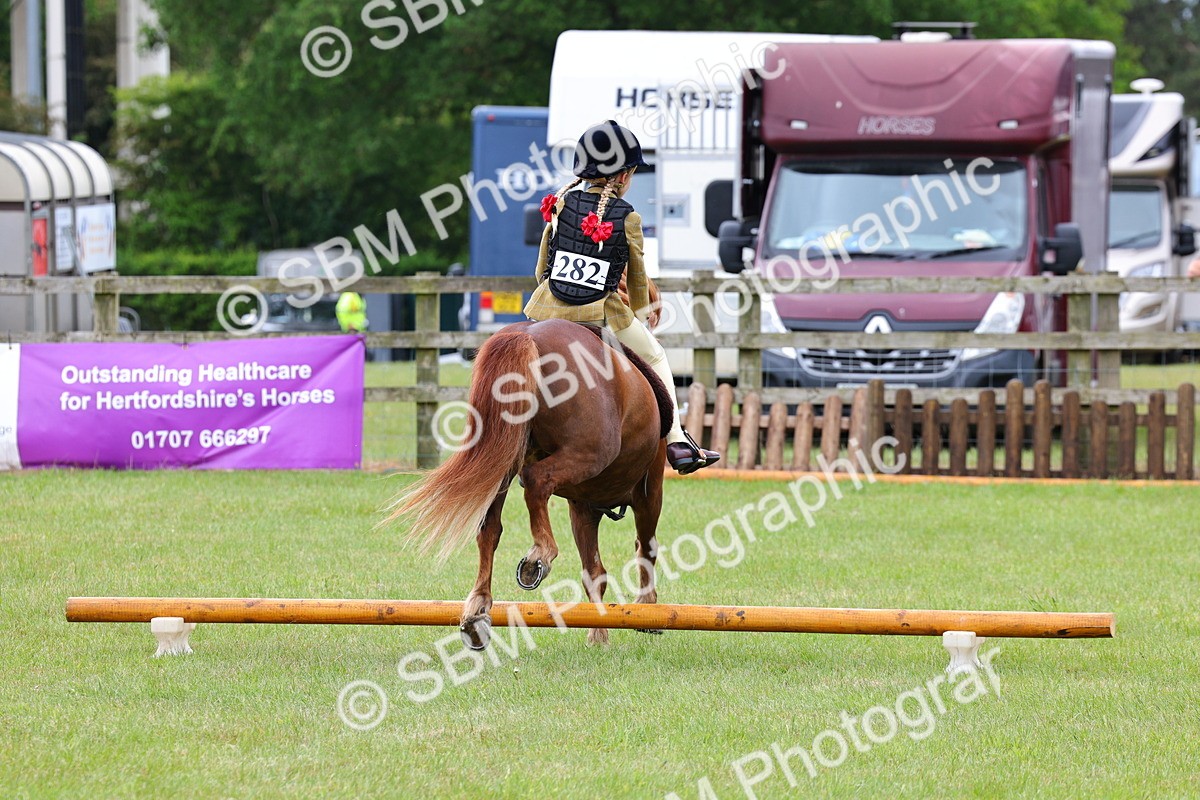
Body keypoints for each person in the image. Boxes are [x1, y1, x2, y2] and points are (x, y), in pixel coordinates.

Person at [523, 119, 720, 474]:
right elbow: (639, 278)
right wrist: (642, 315)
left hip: (547, 307)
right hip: (602, 313)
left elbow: (542, 271)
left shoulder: (560, 204)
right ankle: (676, 441)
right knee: (656, 357)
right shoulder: (628, 216)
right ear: (625, 175)